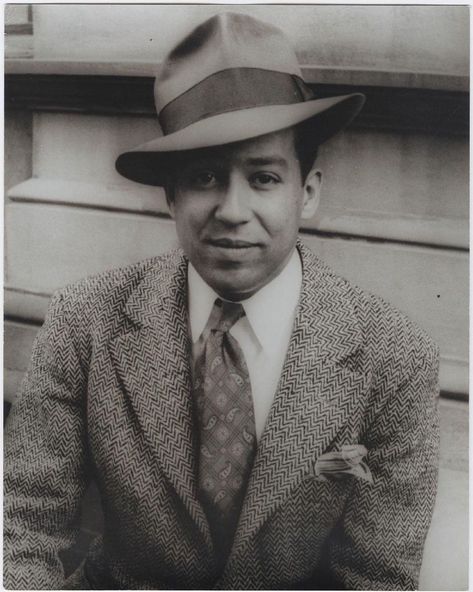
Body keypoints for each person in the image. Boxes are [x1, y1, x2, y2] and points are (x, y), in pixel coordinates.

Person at [4, 12, 440, 590]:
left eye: (263, 178)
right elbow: (21, 532)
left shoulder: (394, 357)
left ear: (306, 193)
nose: (232, 211)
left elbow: (377, 578)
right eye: (205, 177)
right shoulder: (85, 320)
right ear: (171, 198)